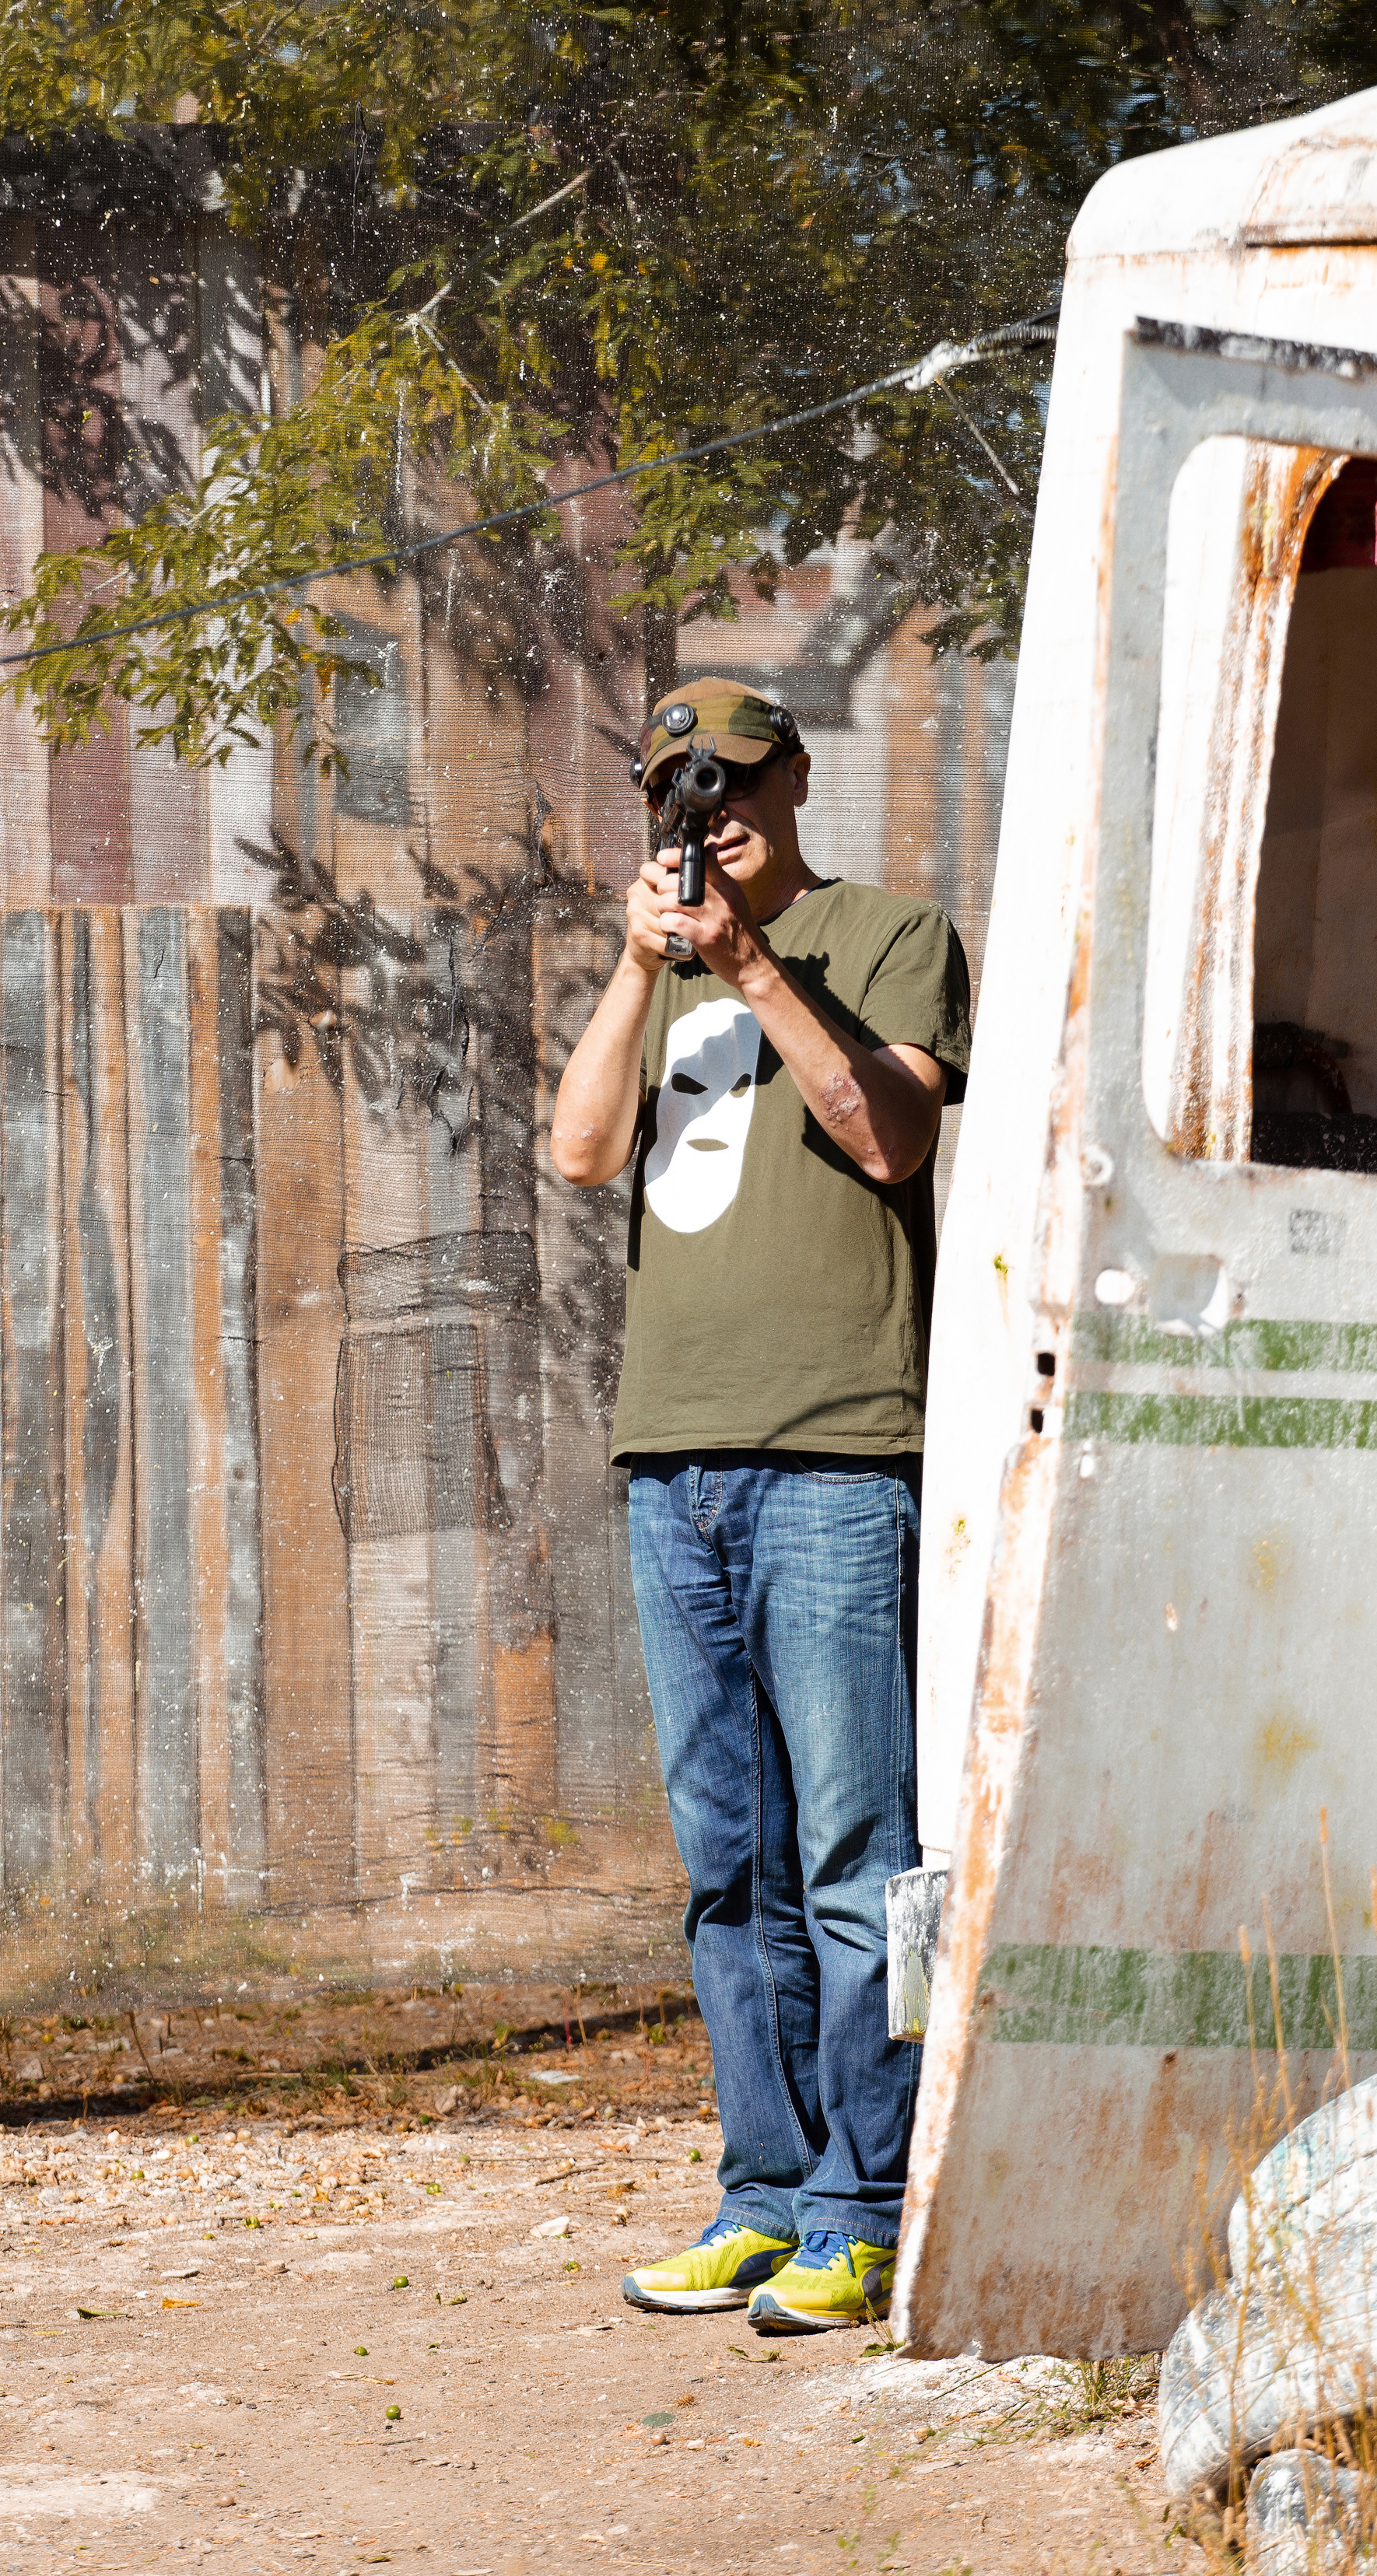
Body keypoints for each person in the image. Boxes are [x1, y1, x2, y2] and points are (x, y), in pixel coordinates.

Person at [549, 677, 971, 2333]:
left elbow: (889, 1133)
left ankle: (870, 2205)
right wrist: (641, 964)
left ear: (796, 776)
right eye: (673, 782)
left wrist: (743, 960)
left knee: (861, 1853)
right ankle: (767, 2191)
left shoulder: (885, 932)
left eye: (731, 773)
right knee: (730, 1863)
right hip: (675, 1459)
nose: (703, 803)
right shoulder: (661, 969)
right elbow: (584, 1153)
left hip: (840, 1455)